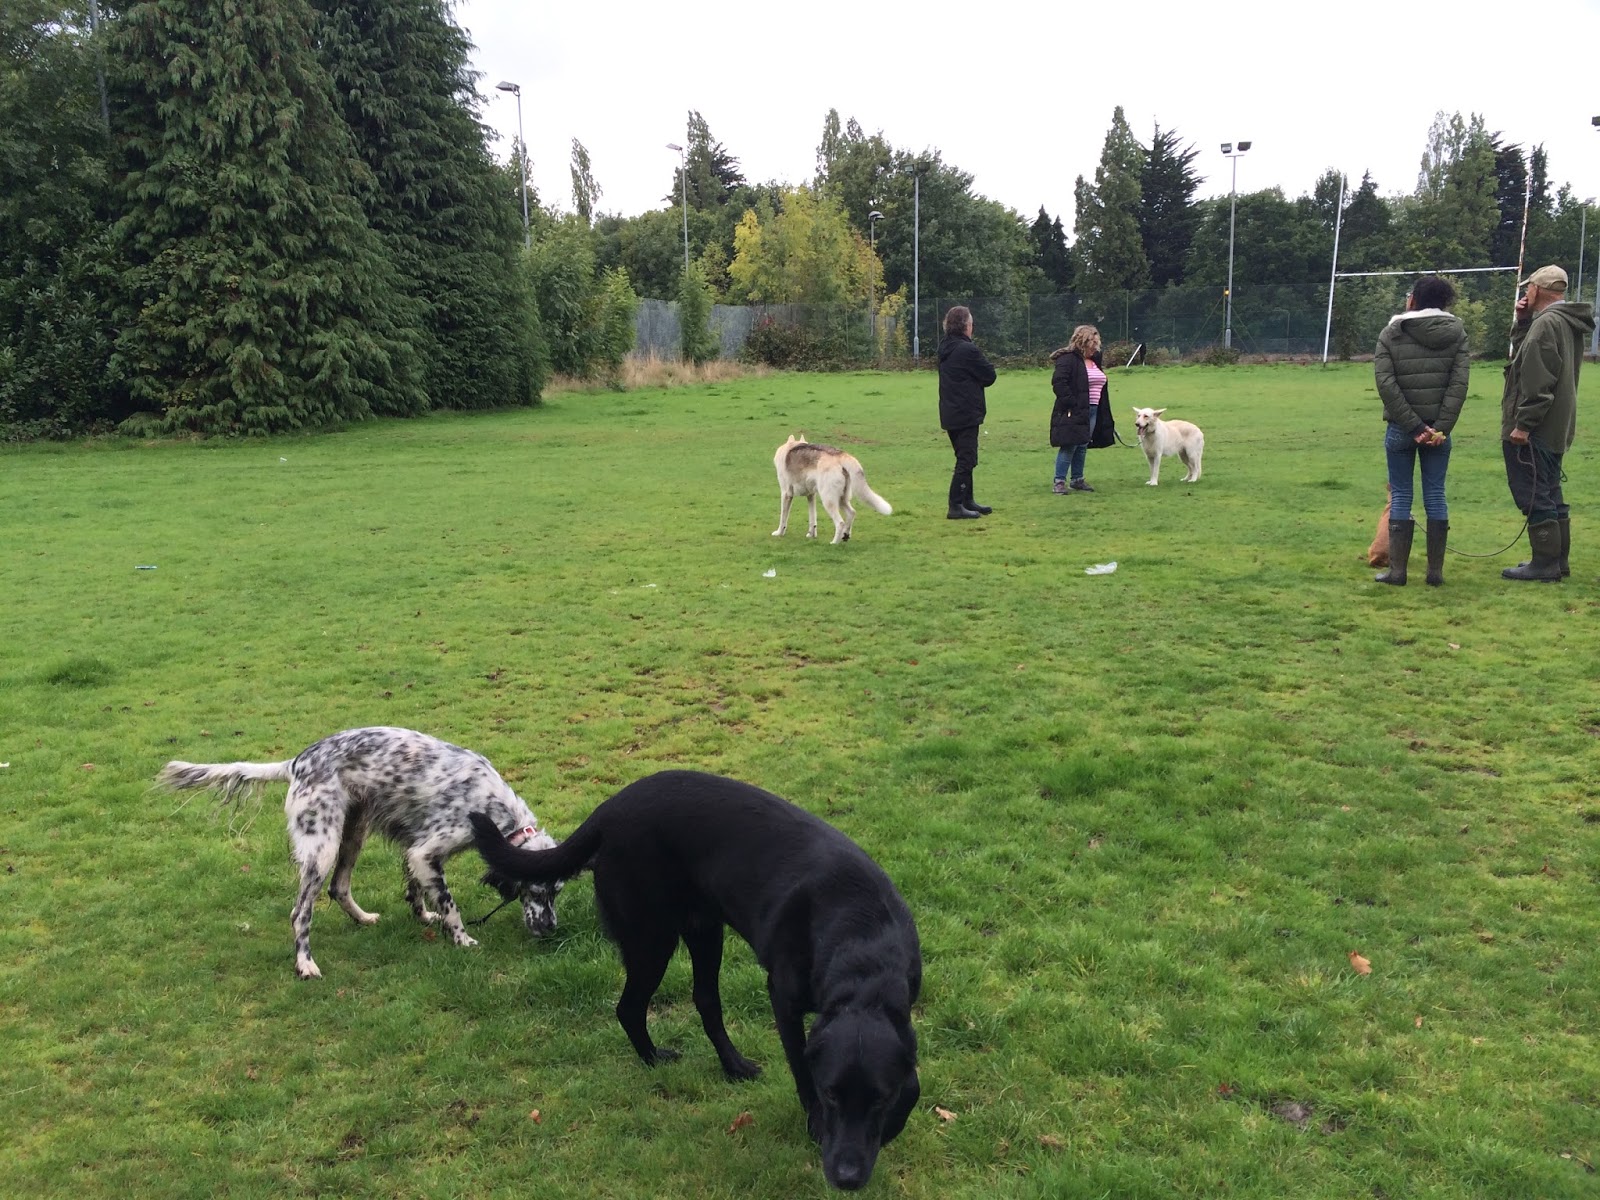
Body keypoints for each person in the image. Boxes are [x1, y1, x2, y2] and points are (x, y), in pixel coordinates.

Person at [1371, 275, 1470, 586]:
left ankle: (1397, 572)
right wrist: (1440, 428)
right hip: (1439, 431)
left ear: (1412, 299)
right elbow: (1459, 384)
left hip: (1401, 428)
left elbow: (1386, 383)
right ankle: (1435, 573)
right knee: (1436, 495)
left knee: (1401, 494)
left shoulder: (1392, 333)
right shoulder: (1457, 334)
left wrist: (1413, 426)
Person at [1500, 264, 1594, 582]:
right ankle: (1557, 561)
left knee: (1533, 491)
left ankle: (1545, 563)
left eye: (1529, 287)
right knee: (1551, 490)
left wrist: (1523, 425)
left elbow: (1538, 382)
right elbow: (1523, 356)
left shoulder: (1546, 325)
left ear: (1537, 289)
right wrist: (1523, 321)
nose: (1526, 291)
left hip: (1537, 428)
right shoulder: (1562, 321)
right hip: (1558, 424)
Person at [937, 305, 997, 519]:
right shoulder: (968, 350)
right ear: (966, 326)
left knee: (965, 456)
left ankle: (966, 500)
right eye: (971, 324)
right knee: (966, 459)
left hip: (950, 411)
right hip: (966, 411)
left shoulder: (945, 347)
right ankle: (955, 505)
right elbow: (989, 375)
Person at [1047, 325, 1110, 493]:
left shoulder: (1094, 360)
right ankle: (1059, 481)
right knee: (1070, 444)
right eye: (1093, 343)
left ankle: (1077, 479)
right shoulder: (1068, 360)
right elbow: (1059, 383)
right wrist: (1072, 403)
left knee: (1082, 444)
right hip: (1074, 409)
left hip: (1092, 409)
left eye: (1097, 343)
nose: (1096, 347)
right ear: (1083, 342)